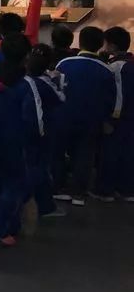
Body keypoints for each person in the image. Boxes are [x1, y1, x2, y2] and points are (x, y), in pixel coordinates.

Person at [53, 26, 116, 207]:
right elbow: (110, 99)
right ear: (101, 44)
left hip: (64, 116)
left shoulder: (64, 63)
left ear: (79, 42)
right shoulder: (106, 70)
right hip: (91, 120)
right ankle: (78, 193)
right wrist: (106, 120)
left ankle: (58, 187)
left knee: (58, 152)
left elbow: (55, 88)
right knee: (84, 155)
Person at [0, 33, 33, 246]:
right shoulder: (26, 83)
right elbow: (33, 117)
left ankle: (7, 224)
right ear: (27, 55)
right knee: (14, 185)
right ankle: (0, 227)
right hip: (15, 140)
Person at [25, 43, 67, 218]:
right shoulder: (44, 82)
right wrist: (57, 81)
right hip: (43, 131)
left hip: (22, 130)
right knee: (40, 168)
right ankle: (45, 205)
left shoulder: (21, 79)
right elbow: (61, 98)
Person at [95, 27, 134, 202]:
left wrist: (109, 119)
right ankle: (127, 189)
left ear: (112, 46)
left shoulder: (116, 67)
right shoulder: (130, 63)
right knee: (128, 153)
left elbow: (117, 95)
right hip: (130, 117)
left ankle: (106, 190)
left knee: (110, 153)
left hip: (118, 117)